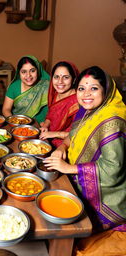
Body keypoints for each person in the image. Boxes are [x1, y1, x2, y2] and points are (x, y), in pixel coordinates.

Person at [43, 66, 126, 255]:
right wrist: (62, 148)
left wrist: (69, 168)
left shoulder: (112, 121)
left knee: (63, 229)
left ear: (106, 90)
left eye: (94, 88)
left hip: (105, 196)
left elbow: (113, 169)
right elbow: (72, 135)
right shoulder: (90, 112)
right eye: (81, 88)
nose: (86, 94)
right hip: (76, 176)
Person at [39, 61, 79, 147]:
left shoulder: (78, 102)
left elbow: (77, 134)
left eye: (66, 77)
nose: (60, 82)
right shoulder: (56, 93)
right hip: (48, 137)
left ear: (74, 79)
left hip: (65, 145)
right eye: (56, 77)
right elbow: (50, 116)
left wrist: (53, 134)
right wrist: (45, 125)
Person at [2, 55, 50, 123]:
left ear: (38, 70)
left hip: (41, 126)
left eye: (32, 71)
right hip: (18, 124)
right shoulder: (14, 87)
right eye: (24, 72)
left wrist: (46, 124)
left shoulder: (46, 86)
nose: (28, 75)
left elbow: (54, 110)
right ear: (19, 73)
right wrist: (14, 121)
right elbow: (6, 109)